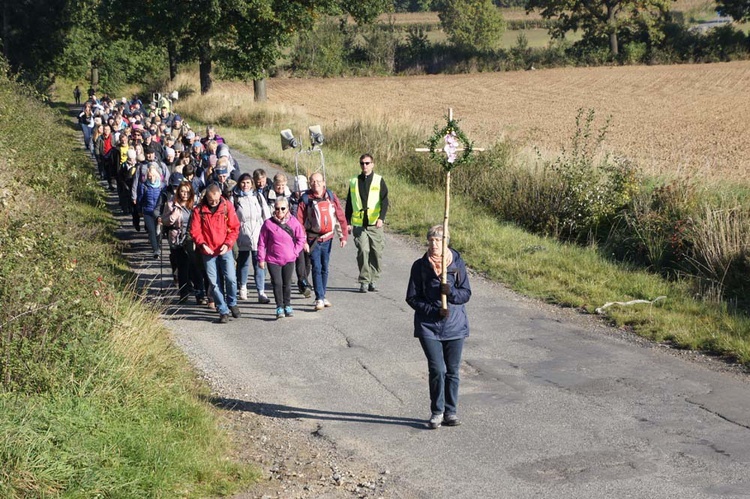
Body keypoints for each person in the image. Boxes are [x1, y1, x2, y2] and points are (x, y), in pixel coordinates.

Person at [405, 225, 472, 429]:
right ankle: (437, 411)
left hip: (454, 326)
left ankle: (451, 412)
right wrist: (433, 311)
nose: (434, 244)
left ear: (446, 243)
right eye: (431, 240)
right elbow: (412, 298)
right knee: (436, 369)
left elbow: (466, 294)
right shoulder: (420, 266)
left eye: (438, 241)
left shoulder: (457, 265)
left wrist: (450, 293)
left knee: (452, 370)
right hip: (429, 326)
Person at [190, 183, 242, 324]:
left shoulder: (227, 207)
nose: (213, 202)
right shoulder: (199, 210)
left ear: (220, 195)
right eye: (211, 200)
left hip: (225, 248)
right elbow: (195, 231)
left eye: (216, 199)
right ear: (206, 197)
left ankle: (232, 302)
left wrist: (228, 243)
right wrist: (202, 244)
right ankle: (223, 310)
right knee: (214, 283)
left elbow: (234, 227)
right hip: (208, 251)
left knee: (231, 278)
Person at [296, 172, 348, 311]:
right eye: (313, 182)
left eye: (318, 181)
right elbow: (299, 222)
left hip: (328, 238)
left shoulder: (330, 196)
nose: (316, 184)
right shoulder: (305, 199)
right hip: (313, 239)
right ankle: (319, 297)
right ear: (309, 183)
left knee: (325, 267)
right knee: (316, 267)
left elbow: (339, 216)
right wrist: (303, 241)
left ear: (324, 182)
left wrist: (343, 236)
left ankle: (323, 295)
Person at [346, 153, 389, 293]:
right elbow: (349, 204)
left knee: (376, 253)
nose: (364, 166)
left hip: (374, 224)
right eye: (362, 163)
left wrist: (381, 218)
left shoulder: (379, 180)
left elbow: (384, 201)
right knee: (363, 251)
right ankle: (364, 280)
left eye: (367, 163)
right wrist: (347, 222)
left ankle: (373, 279)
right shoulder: (354, 181)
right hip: (359, 225)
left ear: (372, 164)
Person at [258, 197, 306, 319]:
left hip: (289, 259)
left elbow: (301, 238)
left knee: (287, 284)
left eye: (283, 208)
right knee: (277, 283)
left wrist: (294, 252)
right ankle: (279, 306)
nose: (280, 211)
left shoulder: (294, 222)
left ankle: (287, 305)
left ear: (288, 209)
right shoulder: (268, 224)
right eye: (277, 208)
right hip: (273, 259)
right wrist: (261, 259)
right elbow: (262, 242)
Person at [163, 180, 205, 304]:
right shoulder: (171, 205)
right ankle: (184, 294)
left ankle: (200, 294)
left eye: (187, 192)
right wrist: (174, 215)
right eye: (182, 191)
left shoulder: (195, 205)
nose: (184, 194)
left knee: (195, 267)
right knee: (182, 267)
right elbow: (165, 220)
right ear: (178, 192)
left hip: (193, 238)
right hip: (177, 240)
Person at [232, 173, 271, 303]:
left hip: (258, 235)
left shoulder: (258, 197)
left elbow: (266, 215)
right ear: (239, 184)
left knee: (259, 262)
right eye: (243, 183)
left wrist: (269, 232)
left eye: (248, 183)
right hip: (242, 235)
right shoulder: (235, 198)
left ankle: (261, 291)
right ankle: (242, 287)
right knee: (243, 262)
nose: (246, 185)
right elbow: (232, 218)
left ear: (252, 184)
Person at [136, 164, 166, 259]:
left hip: (159, 213)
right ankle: (155, 250)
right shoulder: (143, 186)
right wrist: (139, 210)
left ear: (157, 175)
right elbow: (140, 199)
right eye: (149, 176)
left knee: (158, 231)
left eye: (153, 176)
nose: (151, 178)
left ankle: (158, 245)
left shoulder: (162, 186)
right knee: (152, 231)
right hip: (147, 212)